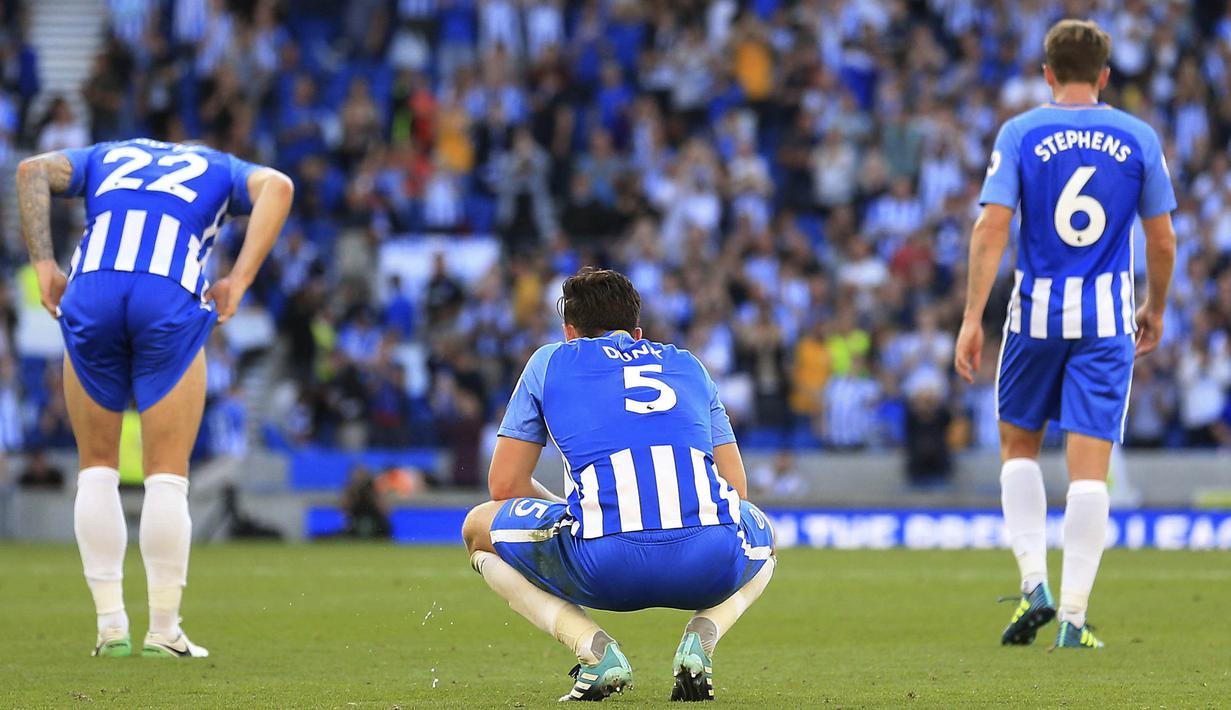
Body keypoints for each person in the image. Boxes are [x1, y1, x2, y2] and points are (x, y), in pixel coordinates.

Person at [16, 138, 293, 658]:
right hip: (168, 287)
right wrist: (239, 280)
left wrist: (45, 267)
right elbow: (278, 186)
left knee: (96, 468)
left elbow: (31, 171)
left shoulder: (106, 154)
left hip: (92, 282)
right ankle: (163, 630)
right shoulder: (218, 164)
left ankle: (109, 628)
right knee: (167, 473)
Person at [954, 20, 1176, 650]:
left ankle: (1033, 585)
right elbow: (1161, 238)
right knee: (1089, 471)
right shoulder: (1137, 136)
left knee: (1018, 449)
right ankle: (1074, 619)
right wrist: (1154, 306)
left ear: (1047, 73)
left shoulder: (1021, 132)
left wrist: (973, 318)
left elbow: (991, 228)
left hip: (1034, 317)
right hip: (1107, 322)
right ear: (1105, 75)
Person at [461, 268, 775, 702]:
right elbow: (735, 489)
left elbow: (505, 484)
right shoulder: (689, 366)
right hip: (709, 562)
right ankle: (703, 638)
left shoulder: (550, 361)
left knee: (478, 528)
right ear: (638, 332)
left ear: (570, 332)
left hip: (604, 565)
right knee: (763, 530)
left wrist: (577, 510)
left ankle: (594, 651)